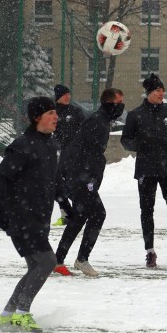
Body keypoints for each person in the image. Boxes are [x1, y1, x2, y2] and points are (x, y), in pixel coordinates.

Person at [0, 96, 71, 333]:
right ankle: (22, 314)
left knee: (36, 265)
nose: (56, 117)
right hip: (20, 215)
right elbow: (0, 179)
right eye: (50, 114)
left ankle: (7, 315)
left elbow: (54, 181)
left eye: (56, 113)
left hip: (39, 216)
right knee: (47, 262)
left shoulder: (51, 144)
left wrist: (65, 204)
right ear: (37, 118)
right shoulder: (23, 145)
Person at [53, 88, 125, 277]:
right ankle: (80, 259)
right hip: (80, 177)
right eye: (119, 103)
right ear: (110, 103)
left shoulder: (102, 120)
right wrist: (87, 180)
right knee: (98, 214)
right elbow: (82, 152)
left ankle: (59, 259)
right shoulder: (96, 121)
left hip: (81, 176)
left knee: (80, 217)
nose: (121, 107)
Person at [121, 74, 167, 268]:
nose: (161, 93)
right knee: (147, 210)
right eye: (158, 90)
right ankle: (150, 251)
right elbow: (126, 140)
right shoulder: (135, 115)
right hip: (145, 169)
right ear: (149, 92)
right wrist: (139, 144)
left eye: (163, 90)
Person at [52, 84, 86, 226]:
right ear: (58, 96)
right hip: (56, 155)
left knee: (74, 184)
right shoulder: (51, 113)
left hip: (74, 155)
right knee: (56, 186)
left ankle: (80, 211)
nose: (68, 97)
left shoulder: (76, 112)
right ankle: (66, 214)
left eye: (69, 94)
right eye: (65, 94)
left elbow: (84, 130)